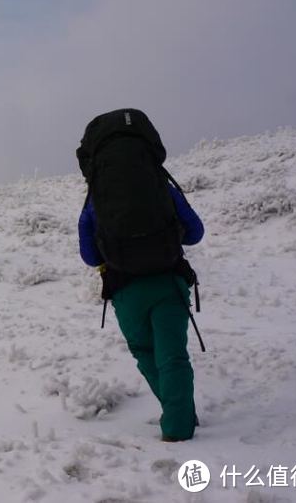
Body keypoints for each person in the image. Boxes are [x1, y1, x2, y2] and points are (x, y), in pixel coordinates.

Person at [76, 109, 204, 442]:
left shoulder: (96, 199)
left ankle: (179, 417)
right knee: (173, 356)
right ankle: (179, 423)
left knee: (147, 354)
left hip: (126, 291)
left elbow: (90, 256)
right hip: (168, 282)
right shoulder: (162, 186)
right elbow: (195, 233)